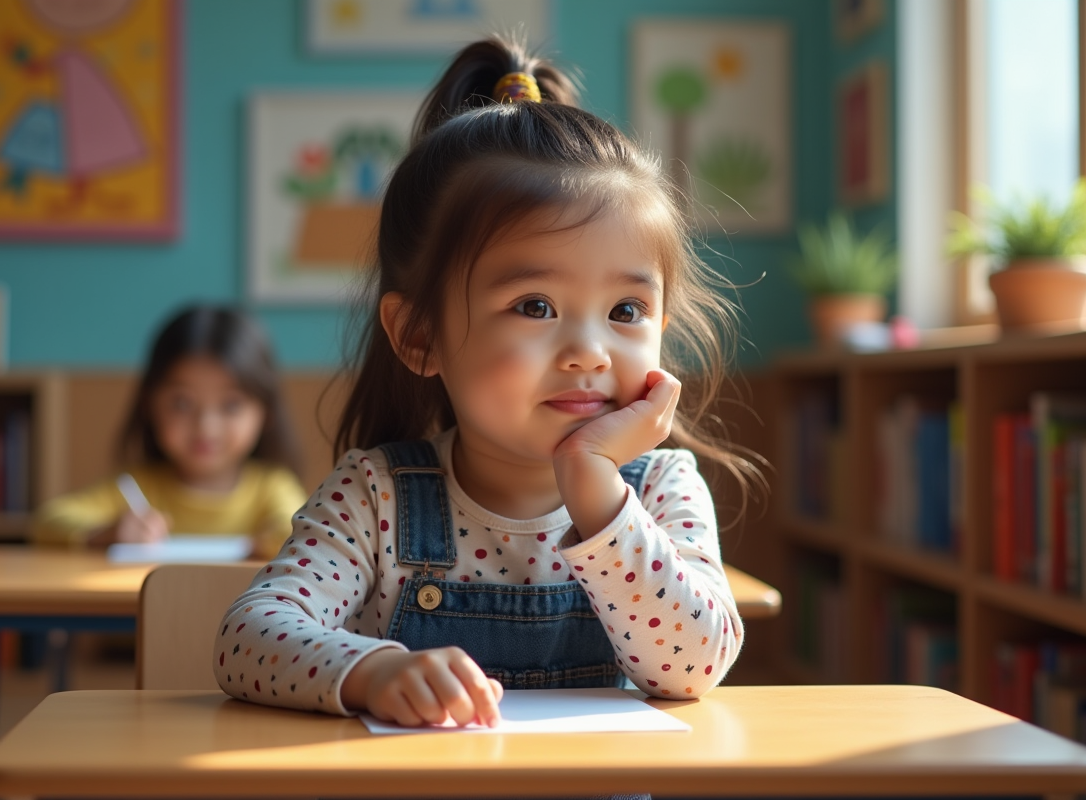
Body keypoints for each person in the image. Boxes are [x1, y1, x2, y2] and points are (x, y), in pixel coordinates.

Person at [214, 35, 759, 731]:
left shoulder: (661, 488)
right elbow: (246, 639)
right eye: (535, 306)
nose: (589, 353)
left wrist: (596, 488)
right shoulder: (375, 496)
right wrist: (370, 670)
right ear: (420, 335)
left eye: (626, 311)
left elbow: (693, 667)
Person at [32, 305, 307, 561]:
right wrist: (105, 533)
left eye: (231, 405)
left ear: (266, 412)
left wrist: (277, 540)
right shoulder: (136, 487)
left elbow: (298, 533)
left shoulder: (272, 488)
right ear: (149, 405)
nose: (205, 427)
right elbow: (48, 521)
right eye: (182, 403)